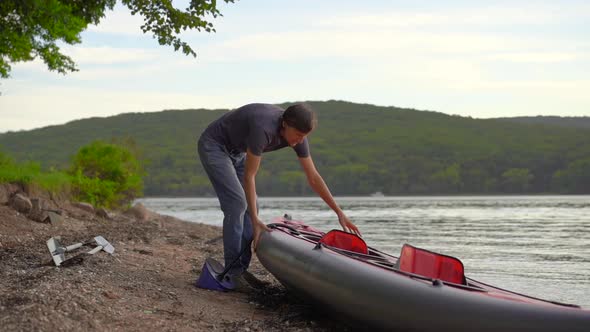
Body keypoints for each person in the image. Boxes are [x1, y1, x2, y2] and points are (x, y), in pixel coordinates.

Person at [197, 103, 360, 289]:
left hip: (238, 151)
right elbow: (250, 176)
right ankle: (233, 273)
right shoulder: (263, 129)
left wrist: (339, 212)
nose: (300, 141)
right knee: (237, 204)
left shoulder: (299, 136)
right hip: (215, 145)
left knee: (253, 207)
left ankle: (239, 271)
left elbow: (313, 177)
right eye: (298, 135)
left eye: (304, 136)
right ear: (285, 124)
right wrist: (257, 222)